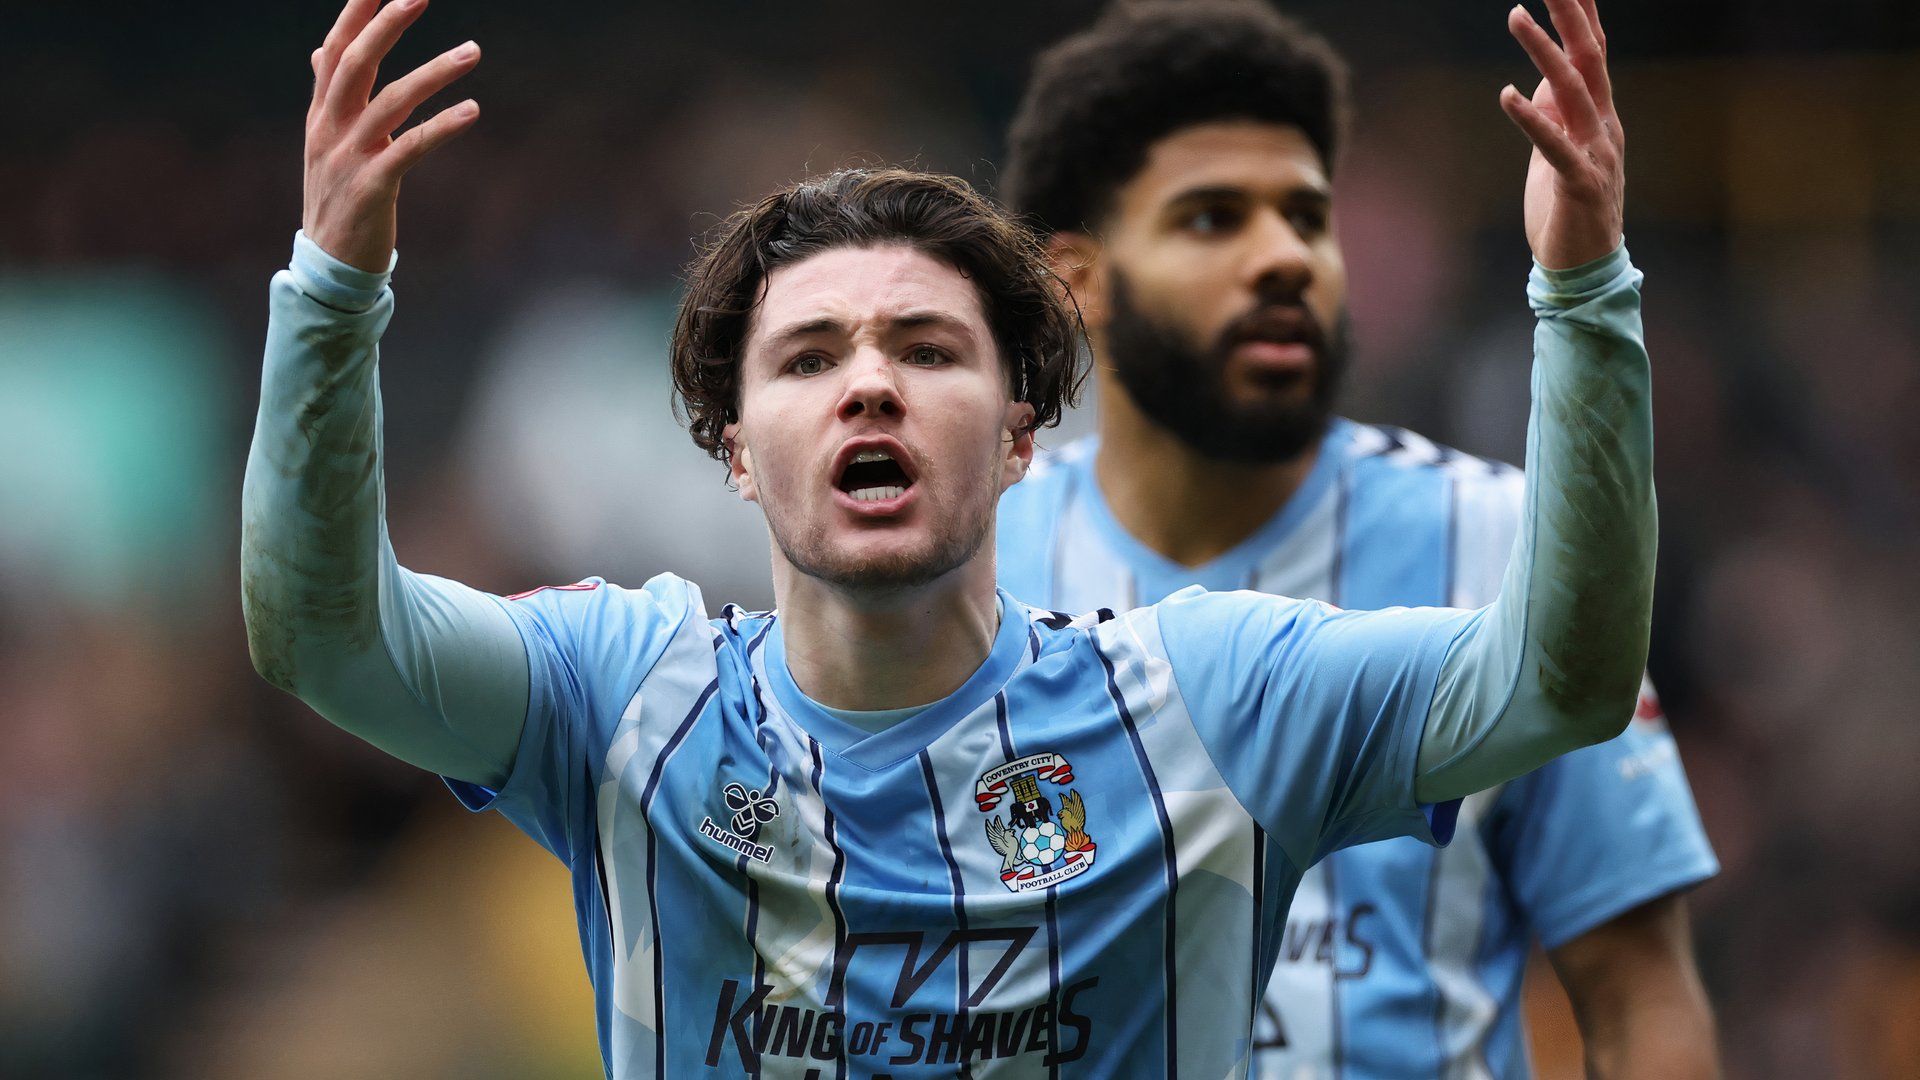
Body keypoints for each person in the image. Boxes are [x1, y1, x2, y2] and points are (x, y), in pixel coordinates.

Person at [243, 0, 1659, 1074]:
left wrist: (1584, 289)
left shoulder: (1214, 706)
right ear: (735, 452)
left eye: (926, 348)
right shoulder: (620, 697)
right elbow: (323, 636)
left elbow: (1566, 677)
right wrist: (331, 294)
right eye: (806, 361)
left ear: (1023, 434)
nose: (869, 380)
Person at [995, 2, 1717, 1077]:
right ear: (1076, 281)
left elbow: (1639, 998)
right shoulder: (978, 561)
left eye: (1306, 216)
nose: (1283, 257)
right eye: (1212, 219)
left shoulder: (1506, 544)